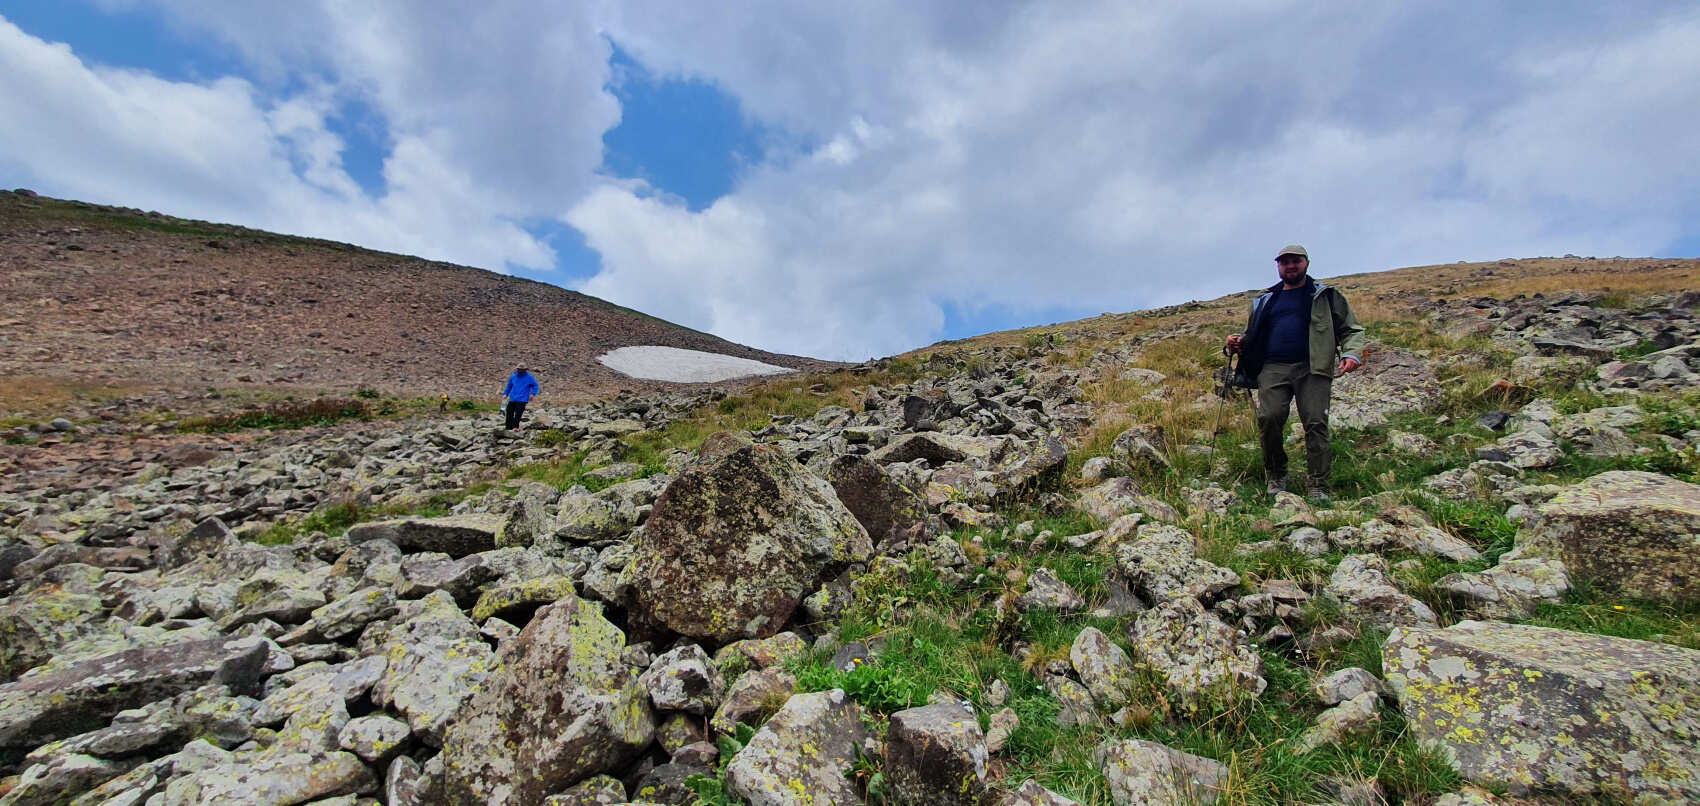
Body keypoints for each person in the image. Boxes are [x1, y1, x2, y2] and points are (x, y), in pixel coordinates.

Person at [1225, 245, 1365, 501]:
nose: (1290, 266)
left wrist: (1351, 353)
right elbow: (1255, 335)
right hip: (1272, 367)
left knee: (1315, 422)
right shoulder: (1265, 299)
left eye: (1295, 261)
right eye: (1284, 262)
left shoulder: (1325, 295)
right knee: (1268, 418)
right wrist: (1239, 342)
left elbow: (1352, 329)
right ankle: (1276, 474)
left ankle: (1319, 484)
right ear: (1278, 266)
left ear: (1306, 263)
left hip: (1313, 366)